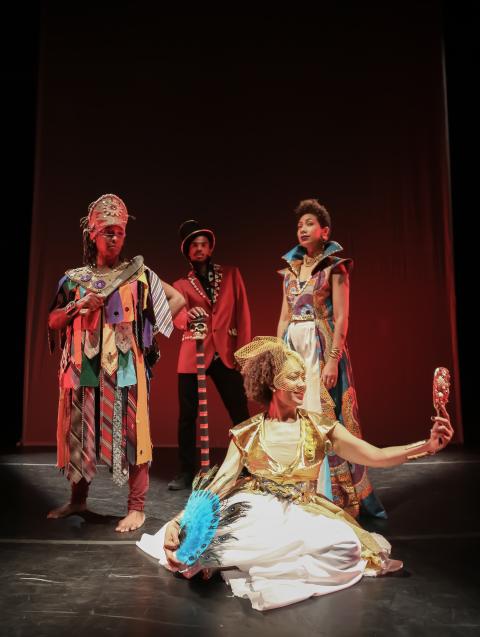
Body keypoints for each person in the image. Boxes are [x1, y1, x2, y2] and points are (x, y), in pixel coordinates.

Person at [137, 336, 453, 611]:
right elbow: (219, 483)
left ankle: (246, 564)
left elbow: (376, 456)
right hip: (254, 506)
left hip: (302, 510)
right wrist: (182, 519)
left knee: (347, 548)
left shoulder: (320, 425)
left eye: (304, 376)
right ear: (273, 382)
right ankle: (240, 559)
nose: (303, 383)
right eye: (294, 377)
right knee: (208, 539)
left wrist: (426, 445)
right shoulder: (247, 432)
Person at [47, 193, 185, 532]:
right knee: (80, 431)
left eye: (120, 232)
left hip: (124, 365)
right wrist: (76, 309)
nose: (114, 237)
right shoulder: (74, 278)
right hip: (82, 364)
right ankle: (78, 500)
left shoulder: (137, 274)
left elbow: (176, 298)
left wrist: (147, 332)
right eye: (107, 231)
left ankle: (136, 507)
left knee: (132, 432)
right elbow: (53, 321)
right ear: (92, 234)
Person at [277, 198, 385, 518]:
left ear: (325, 231)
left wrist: (333, 360)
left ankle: (329, 493)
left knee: (321, 416)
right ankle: (299, 488)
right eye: (299, 225)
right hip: (294, 348)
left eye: (309, 223)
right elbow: (283, 316)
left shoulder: (335, 269)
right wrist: (279, 355)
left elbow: (342, 318)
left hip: (320, 346)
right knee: (295, 417)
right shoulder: (291, 270)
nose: (303, 229)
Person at [167, 220, 251, 490]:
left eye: (204, 244)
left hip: (226, 353)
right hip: (195, 352)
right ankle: (185, 471)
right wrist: (185, 317)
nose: (199, 249)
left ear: (210, 247)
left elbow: (243, 314)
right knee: (187, 415)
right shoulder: (180, 284)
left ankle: (249, 465)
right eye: (194, 245)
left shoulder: (231, 274)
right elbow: (176, 314)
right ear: (187, 251)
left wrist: (245, 353)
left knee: (240, 411)